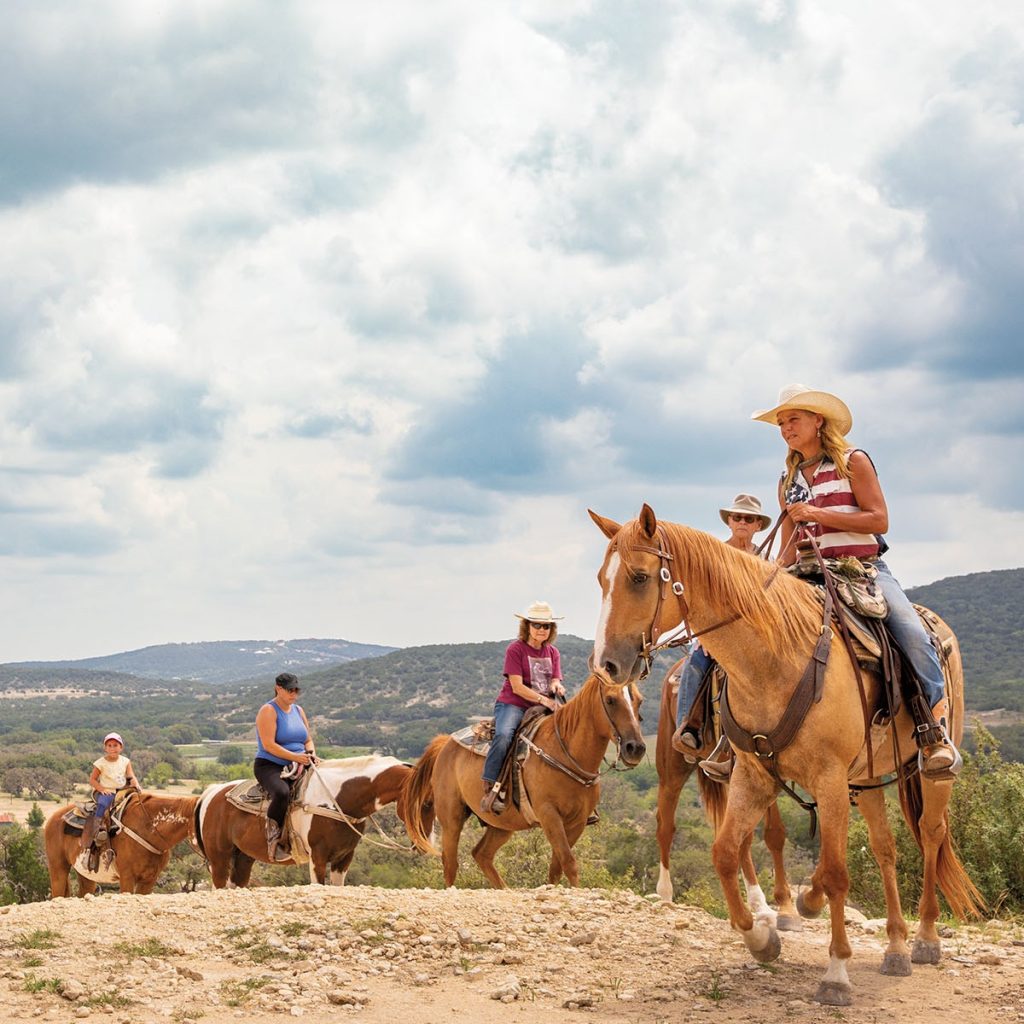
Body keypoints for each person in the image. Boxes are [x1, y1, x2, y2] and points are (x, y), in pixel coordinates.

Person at [751, 383, 960, 778]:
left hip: (862, 569)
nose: (785, 428)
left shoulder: (853, 461)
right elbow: (790, 542)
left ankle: (934, 732)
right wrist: (772, 576)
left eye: (793, 419)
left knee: (912, 634)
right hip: (807, 574)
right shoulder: (787, 478)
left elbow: (879, 520)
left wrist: (819, 514)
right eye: (781, 422)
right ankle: (735, 738)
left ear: (818, 420)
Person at [670, 494, 771, 759]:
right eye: (737, 517)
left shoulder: (766, 559)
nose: (742, 522)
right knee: (695, 663)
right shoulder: (715, 555)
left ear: (758, 525)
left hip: (755, 633)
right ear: (729, 521)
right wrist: (704, 633)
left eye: (749, 519)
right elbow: (697, 596)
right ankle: (688, 728)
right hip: (714, 630)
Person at [480, 601, 566, 815]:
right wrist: (544, 700)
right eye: (537, 625)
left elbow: (554, 678)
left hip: (544, 704)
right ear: (527, 626)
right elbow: (517, 687)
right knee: (503, 736)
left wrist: (557, 685)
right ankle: (492, 786)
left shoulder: (552, 652)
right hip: (514, 704)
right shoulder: (516, 649)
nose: (541, 630)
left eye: (546, 626)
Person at [254, 672, 318, 860]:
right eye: (290, 690)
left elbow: (308, 739)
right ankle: (274, 837)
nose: (294, 694)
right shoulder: (268, 710)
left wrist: (311, 753)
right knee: (282, 793)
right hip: (270, 765)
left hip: (300, 761)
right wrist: (295, 757)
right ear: (278, 688)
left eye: (296, 690)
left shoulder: (299, 711)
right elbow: (268, 745)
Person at [83, 732, 141, 850]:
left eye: (115, 745)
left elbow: (130, 776)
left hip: (123, 790)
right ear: (105, 748)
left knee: (137, 803)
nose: (112, 748)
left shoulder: (125, 761)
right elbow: (93, 780)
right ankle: (97, 830)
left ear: (121, 747)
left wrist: (137, 785)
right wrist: (101, 789)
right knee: (103, 804)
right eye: (109, 745)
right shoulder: (100, 763)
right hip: (108, 791)